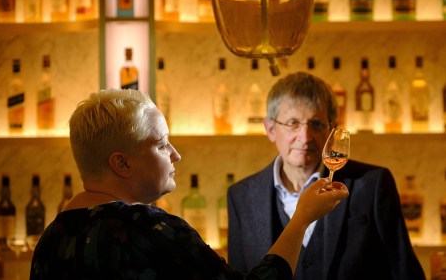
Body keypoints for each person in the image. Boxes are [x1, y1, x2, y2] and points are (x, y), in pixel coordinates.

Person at [29, 88, 348, 279]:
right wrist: (302, 218)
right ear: (122, 163)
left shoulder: (52, 238)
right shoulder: (153, 231)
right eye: (161, 143)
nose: (176, 155)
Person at [227, 72, 426, 280]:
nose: (305, 137)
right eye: (293, 122)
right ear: (270, 129)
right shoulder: (240, 197)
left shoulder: (372, 184)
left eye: (316, 124)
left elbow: (405, 272)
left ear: (332, 130)